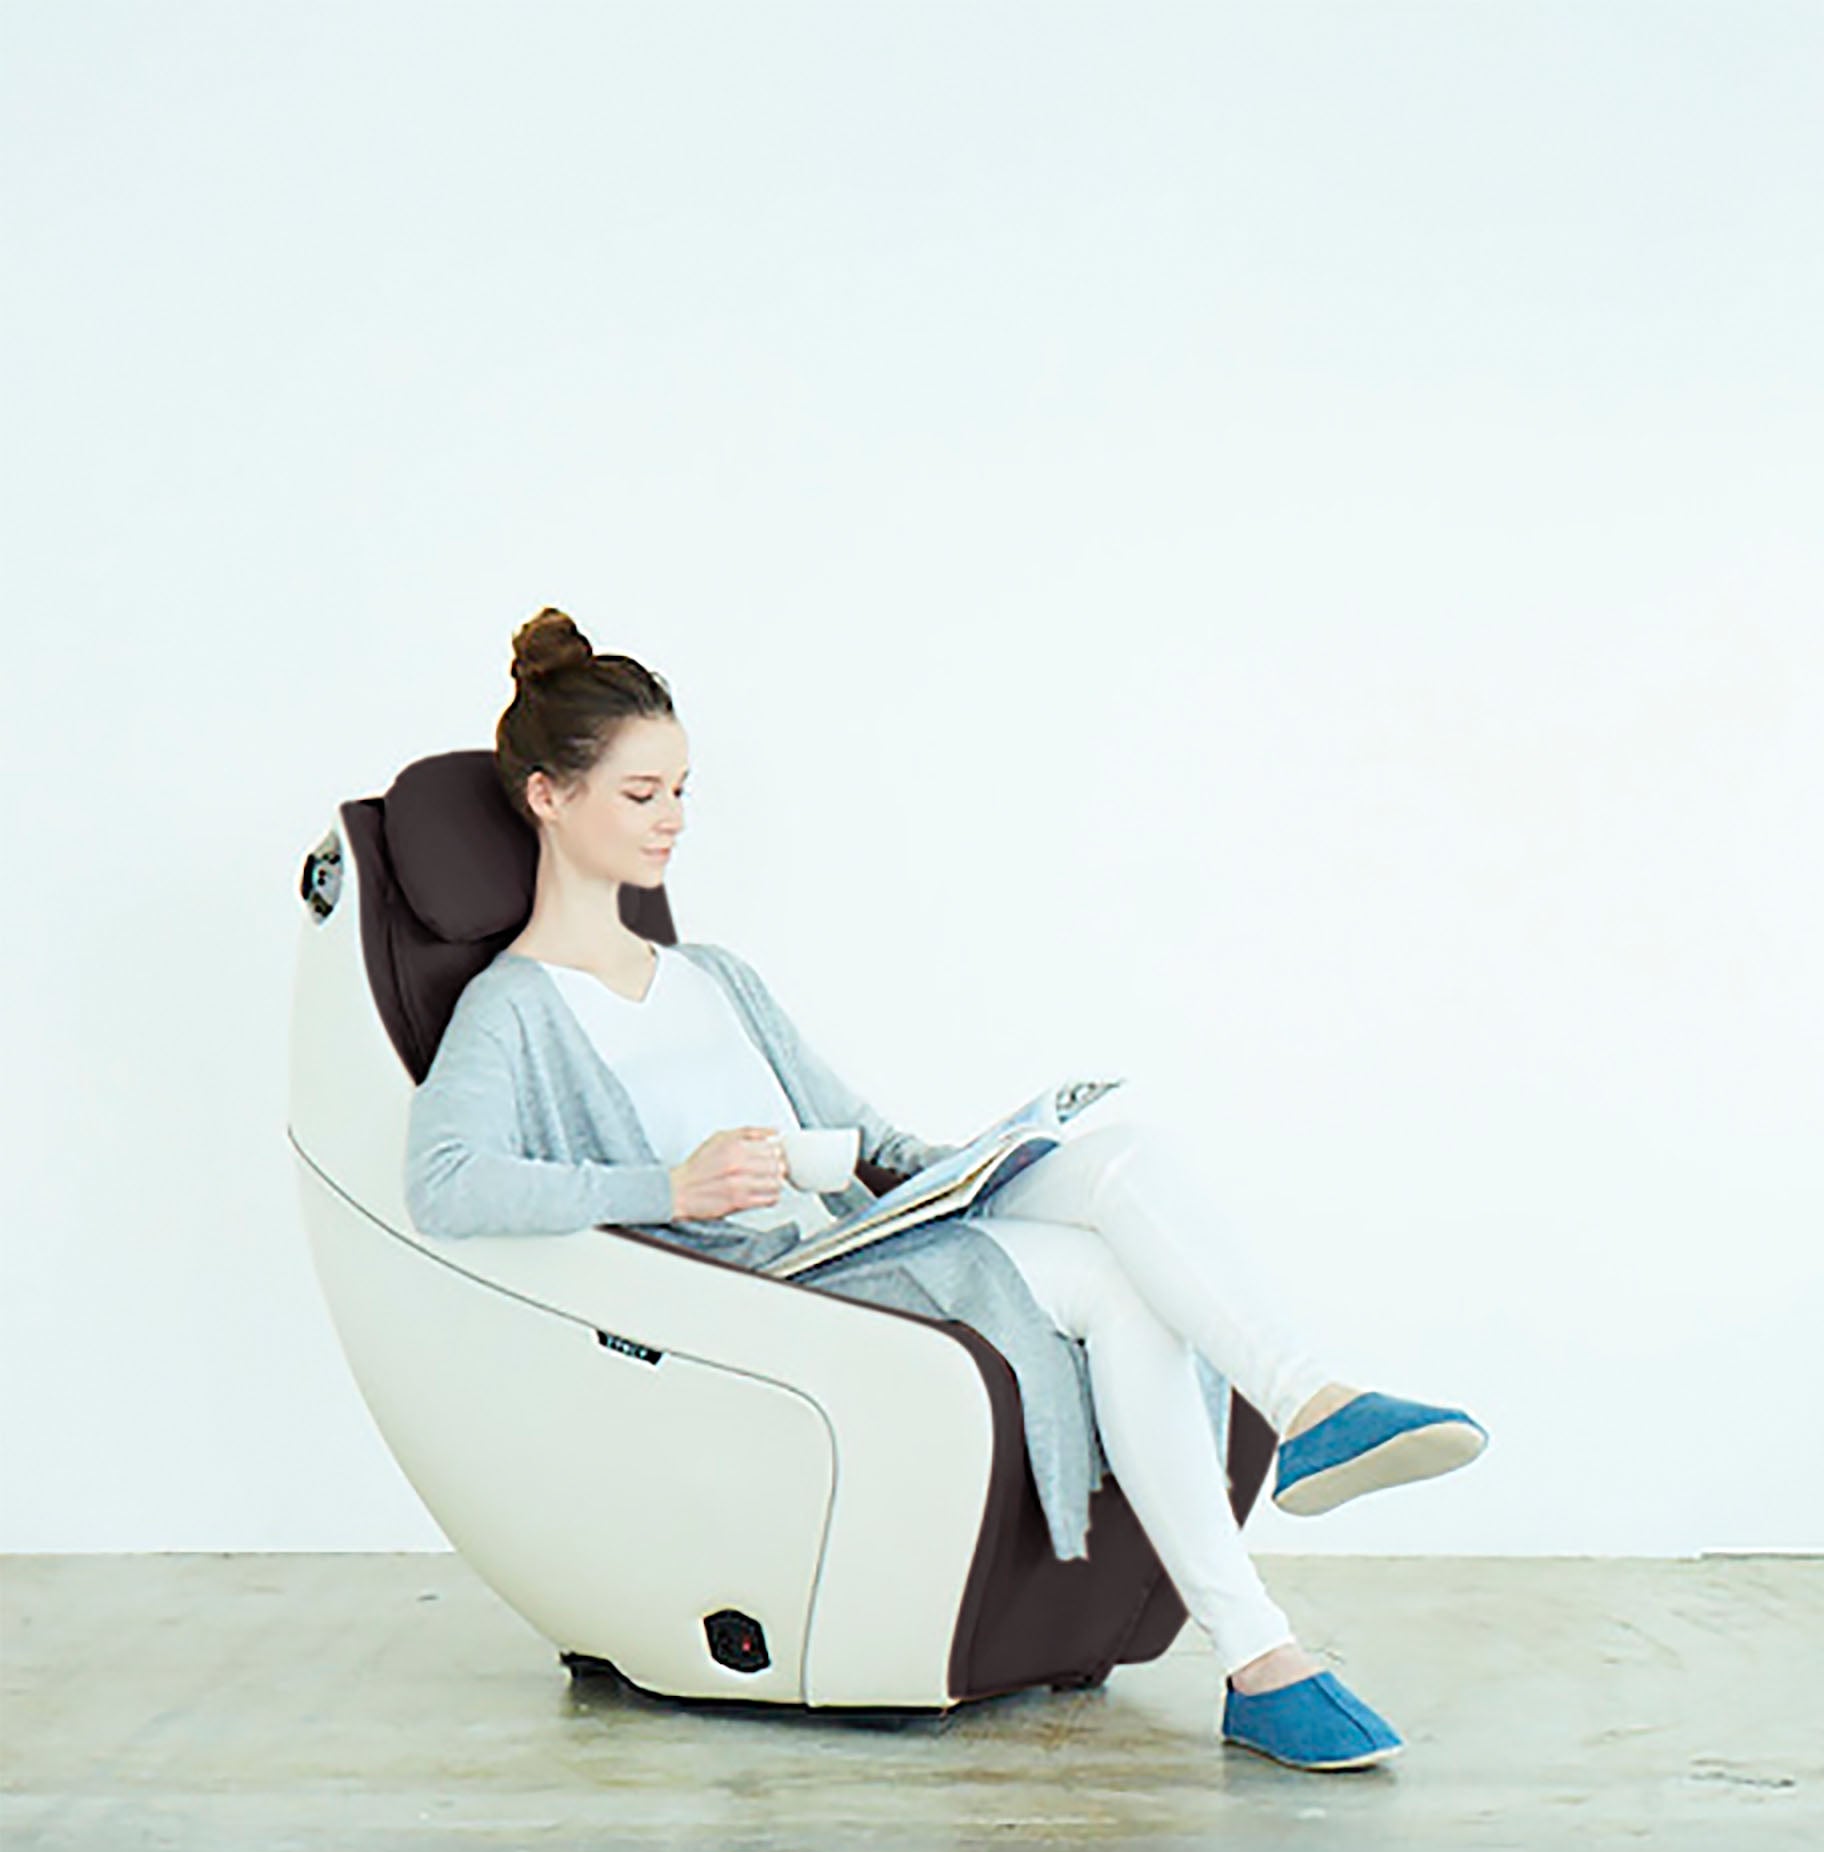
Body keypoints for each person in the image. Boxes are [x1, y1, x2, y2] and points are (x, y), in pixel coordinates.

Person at [405, 605, 1489, 1772]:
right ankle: (1270, 1597)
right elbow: (443, 1181)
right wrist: (669, 1183)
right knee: (1109, 1273)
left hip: (856, 1241)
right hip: (760, 1293)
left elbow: (867, 1139)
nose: (673, 817)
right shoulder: (512, 1005)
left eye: (680, 789)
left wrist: (986, 1161)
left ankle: (1293, 1504)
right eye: (640, 793)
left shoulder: (714, 975)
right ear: (547, 796)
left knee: (1121, 1168)